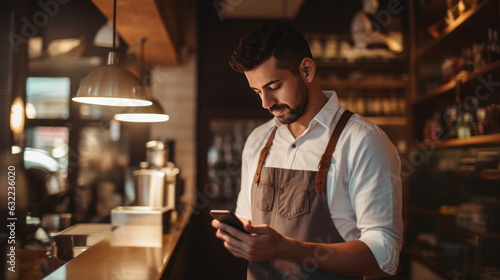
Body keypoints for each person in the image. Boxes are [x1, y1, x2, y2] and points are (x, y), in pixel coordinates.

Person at [212, 20, 403, 279]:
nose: (266, 103)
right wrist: (240, 240)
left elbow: (385, 256)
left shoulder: (363, 141)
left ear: (307, 70)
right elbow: (248, 221)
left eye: (274, 86)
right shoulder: (258, 140)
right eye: (257, 91)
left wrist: (290, 249)